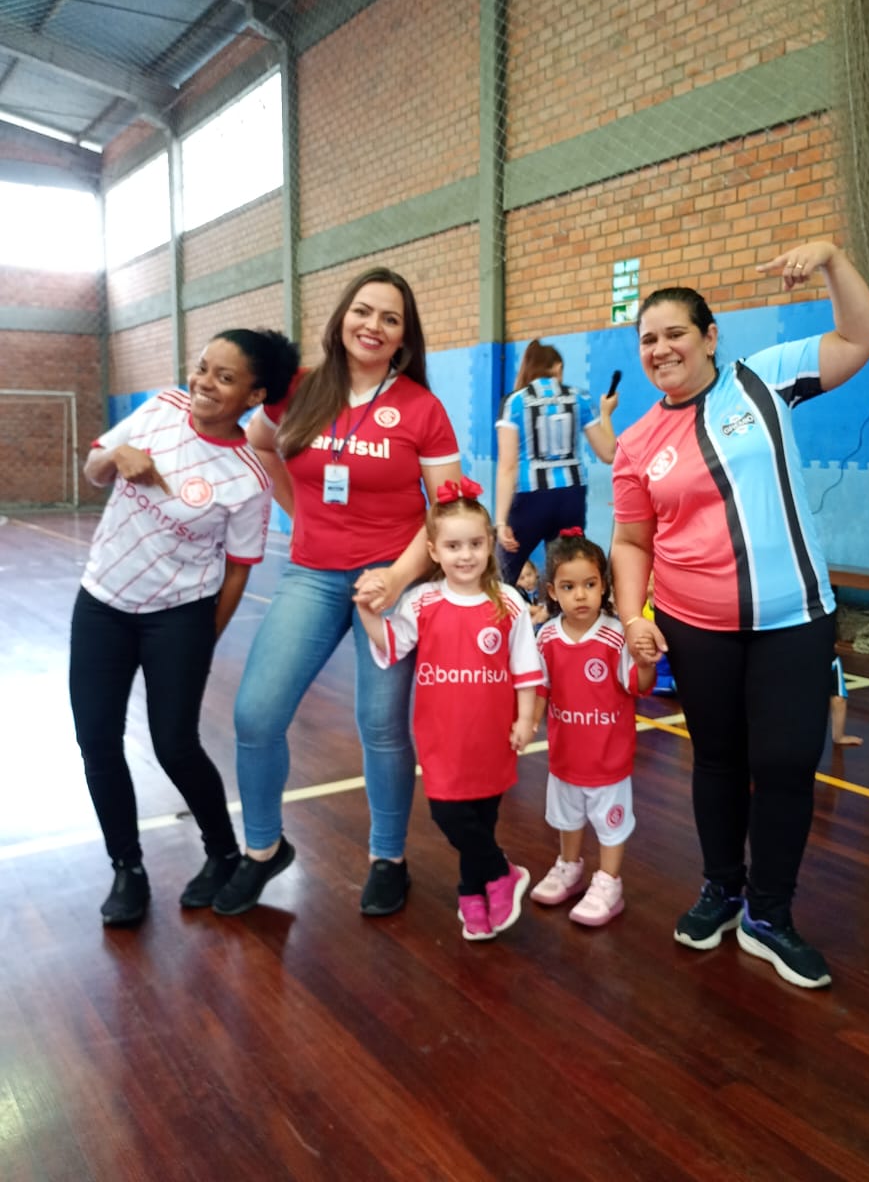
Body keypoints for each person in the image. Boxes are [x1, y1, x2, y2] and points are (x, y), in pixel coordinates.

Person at [611, 240, 869, 990]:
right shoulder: (635, 443)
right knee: (718, 761)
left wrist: (832, 259)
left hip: (793, 621)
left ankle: (769, 914)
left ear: (709, 337)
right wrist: (632, 616)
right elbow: (631, 540)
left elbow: (862, 336)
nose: (660, 349)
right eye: (647, 339)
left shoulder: (762, 379)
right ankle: (721, 889)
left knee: (787, 764)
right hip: (695, 627)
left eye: (675, 332)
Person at [213, 268, 460, 918]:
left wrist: (398, 577)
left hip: (391, 581)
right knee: (256, 715)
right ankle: (262, 850)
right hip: (312, 576)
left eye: (389, 319)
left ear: (403, 338)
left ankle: (388, 858)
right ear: (342, 316)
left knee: (380, 724)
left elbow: (448, 508)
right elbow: (262, 446)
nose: (372, 326)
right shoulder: (299, 391)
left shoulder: (421, 408)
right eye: (363, 311)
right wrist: (300, 515)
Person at [69, 328, 300, 925]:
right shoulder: (160, 408)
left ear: (255, 395)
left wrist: (204, 638)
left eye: (225, 378)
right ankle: (127, 868)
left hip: (179, 616)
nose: (203, 383)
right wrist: (115, 456)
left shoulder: (247, 478)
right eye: (202, 368)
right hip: (103, 603)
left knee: (175, 745)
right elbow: (94, 469)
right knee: (97, 740)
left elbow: (239, 569)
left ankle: (223, 852)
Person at [355, 478, 542, 941]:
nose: (466, 555)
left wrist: (525, 719)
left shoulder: (509, 603)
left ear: (489, 544)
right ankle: (503, 873)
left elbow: (526, 670)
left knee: (482, 819)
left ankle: (472, 895)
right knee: (448, 814)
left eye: (475, 544)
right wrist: (367, 612)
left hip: (492, 736)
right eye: (453, 546)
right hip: (441, 738)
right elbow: (392, 645)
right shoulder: (422, 601)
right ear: (433, 551)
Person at [530, 529, 654, 926]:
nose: (580, 595)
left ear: (604, 586)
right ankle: (569, 867)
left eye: (589, 584)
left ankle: (609, 883)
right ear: (553, 591)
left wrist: (645, 662)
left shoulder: (616, 636)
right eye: (569, 587)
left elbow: (639, 686)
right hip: (565, 757)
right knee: (566, 819)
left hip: (608, 761)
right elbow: (540, 689)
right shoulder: (547, 637)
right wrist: (528, 721)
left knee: (610, 826)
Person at [494, 339, 618, 585]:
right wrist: (606, 413)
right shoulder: (580, 397)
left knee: (501, 573)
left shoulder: (514, 402)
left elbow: (508, 466)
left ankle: (494, 609)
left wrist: (500, 521)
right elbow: (608, 453)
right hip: (570, 496)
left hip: (530, 496)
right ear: (558, 367)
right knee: (568, 570)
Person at [830, 656, 862, 747]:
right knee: (838, 697)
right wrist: (839, 737)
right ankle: (839, 736)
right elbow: (838, 699)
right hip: (825, 658)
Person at [516, 557, 549, 626]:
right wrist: (530, 609)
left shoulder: (543, 586)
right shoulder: (519, 594)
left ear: (536, 572)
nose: (527, 580)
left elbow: (547, 609)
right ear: (517, 582)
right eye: (522, 578)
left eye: (529, 575)